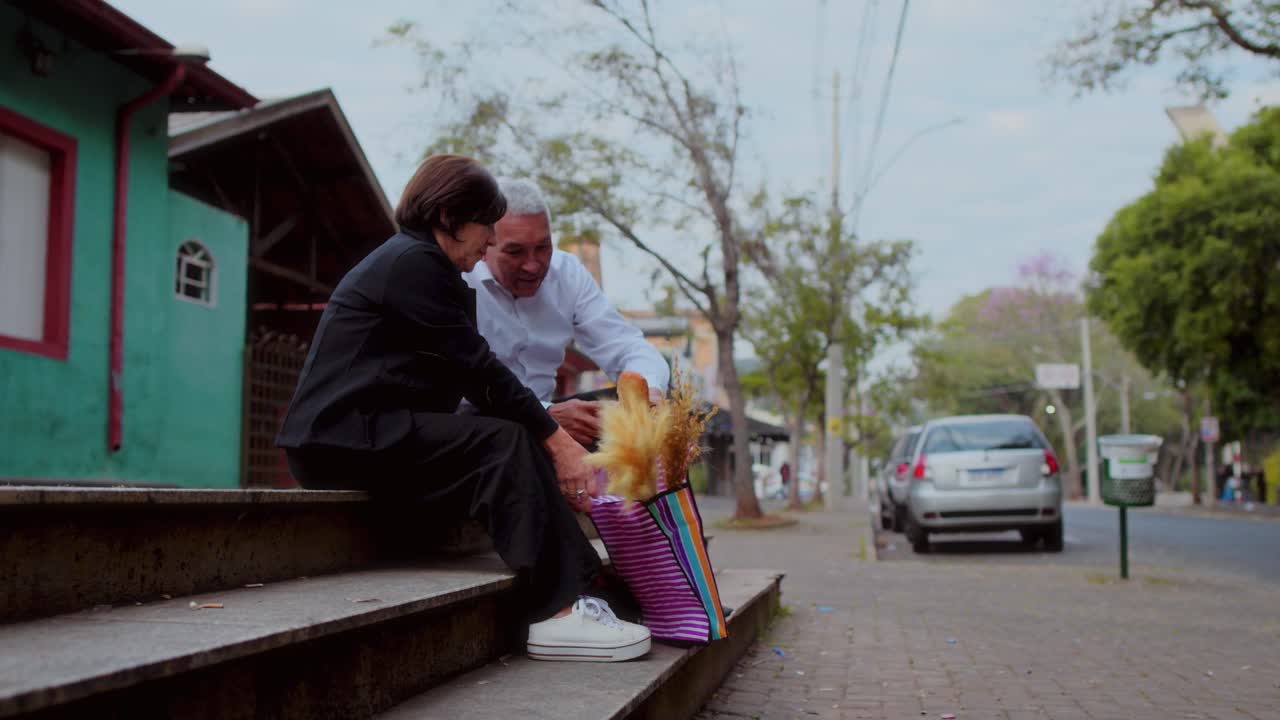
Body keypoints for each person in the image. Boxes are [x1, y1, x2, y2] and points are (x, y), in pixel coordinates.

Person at [276, 154, 651, 662]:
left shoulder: (423, 266)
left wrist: (554, 448)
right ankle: (559, 611)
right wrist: (559, 442)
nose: (490, 244)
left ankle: (590, 589)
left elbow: (474, 387)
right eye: (487, 230)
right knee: (504, 441)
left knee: (502, 430)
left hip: (373, 428)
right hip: (338, 436)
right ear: (451, 218)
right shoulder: (413, 264)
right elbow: (481, 371)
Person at [463, 178, 669, 447]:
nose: (533, 265)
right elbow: (463, 392)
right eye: (515, 252)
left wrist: (648, 394)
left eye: (543, 247)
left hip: (555, 414)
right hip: (485, 420)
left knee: (650, 417)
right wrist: (543, 416)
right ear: (484, 246)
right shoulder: (461, 280)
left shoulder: (567, 273)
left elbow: (627, 346)